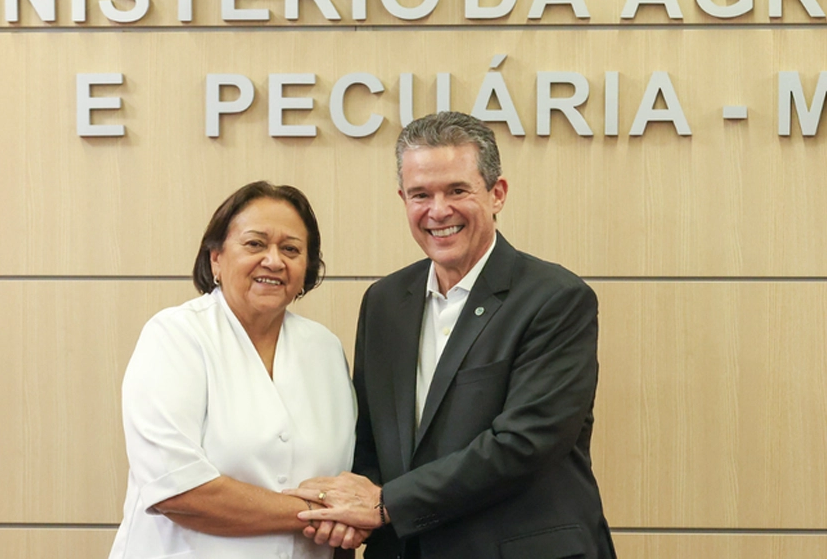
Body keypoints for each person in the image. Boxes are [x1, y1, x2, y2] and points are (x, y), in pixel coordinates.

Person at [285, 112, 617, 558]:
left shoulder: (555, 298)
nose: (438, 211)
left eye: (457, 190)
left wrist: (386, 505)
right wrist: (346, 511)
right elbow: (371, 441)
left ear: (497, 194)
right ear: (403, 199)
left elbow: (525, 443)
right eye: (421, 194)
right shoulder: (384, 302)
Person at [108, 181, 359, 559]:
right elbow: (178, 492)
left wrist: (348, 513)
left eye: (291, 249)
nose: (274, 261)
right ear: (216, 259)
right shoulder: (175, 336)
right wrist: (325, 512)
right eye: (255, 244)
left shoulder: (325, 349)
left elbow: (343, 480)